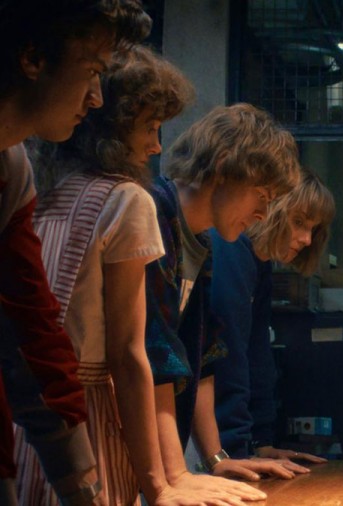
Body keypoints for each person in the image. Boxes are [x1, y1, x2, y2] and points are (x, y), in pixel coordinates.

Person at [15, 45, 257, 506]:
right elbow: (130, 354)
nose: (156, 146)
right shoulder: (128, 200)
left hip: (27, 417)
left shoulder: (37, 186)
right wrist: (162, 484)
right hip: (88, 417)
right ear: (110, 125)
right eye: (149, 127)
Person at [0, 2, 149, 503]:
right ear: (32, 57)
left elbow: (31, 324)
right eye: (91, 71)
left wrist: (80, 485)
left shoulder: (13, 168)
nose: (97, 97)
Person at [144, 104, 303, 497]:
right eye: (261, 196)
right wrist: (174, 475)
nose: (264, 213)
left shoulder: (202, 241)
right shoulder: (152, 215)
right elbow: (152, 359)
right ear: (223, 168)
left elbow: (203, 356)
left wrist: (216, 457)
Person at [212, 169, 335, 468]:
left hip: (229, 439)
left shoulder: (260, 266)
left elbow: (257, 355)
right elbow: (226, 357)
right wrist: (236, 451)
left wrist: (261, 443)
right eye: (299, 222)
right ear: (271, 208)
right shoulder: (230, 249)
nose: (306, 240)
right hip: (207, 440)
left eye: (313, 229)